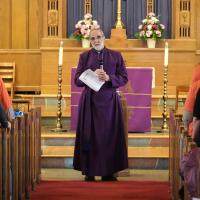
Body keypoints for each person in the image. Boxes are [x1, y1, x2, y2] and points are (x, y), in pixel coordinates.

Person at [73, 28, 128, 181]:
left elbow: (124, 78)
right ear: (90, 40)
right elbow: (77, 80)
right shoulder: (84, 57)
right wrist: (90, 75)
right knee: (89, 135)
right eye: (93, 38)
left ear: (104, 38)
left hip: (109, 103)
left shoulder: (116, 56)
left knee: (108, 136)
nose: (96, 41)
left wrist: (109, 78)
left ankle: (108, 172)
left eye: (98, 37)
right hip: (89, 102)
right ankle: (89, 170)